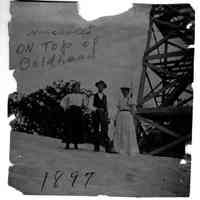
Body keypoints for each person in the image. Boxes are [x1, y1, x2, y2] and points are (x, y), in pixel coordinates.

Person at [113, 85, 139, 156]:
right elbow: (118, 110)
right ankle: (119, 149)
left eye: (125, 91)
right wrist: (115, 119)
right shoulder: (120, 100)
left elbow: (134, 110)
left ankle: (129, 150)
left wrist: (131, 116)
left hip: (127, 116)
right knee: (120, 131)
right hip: (120, 116)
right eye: (123, 91)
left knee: (127, 131)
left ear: (128, 91)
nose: (124, 92)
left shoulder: (131, 99)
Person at [60, 81, 87, 149]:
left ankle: (76, 144)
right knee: (69, 127)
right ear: (73, 88)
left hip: (78, 112)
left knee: (77, 128)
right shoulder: (69, 95)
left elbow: (85, 104)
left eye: (78, 87)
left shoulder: (82, 96)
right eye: (75, 87)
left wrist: (84, 109)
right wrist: (66, 107)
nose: (77, 88)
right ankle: (67, 144)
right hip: (70, 112)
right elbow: (62, 102)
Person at [92, 80, 112, 152]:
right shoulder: (94, 96)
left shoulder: (105, 96)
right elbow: (91, 106)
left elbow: (106, 106)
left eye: (102, 86)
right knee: (96, 129)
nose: (101, 87)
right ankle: (96, 146)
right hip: (96, 114)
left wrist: (107, 116)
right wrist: (97, 109)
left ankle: (107, 146)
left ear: (104, 88)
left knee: (105, 129)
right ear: (97, 87)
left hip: (103, 114)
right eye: (99, 86)